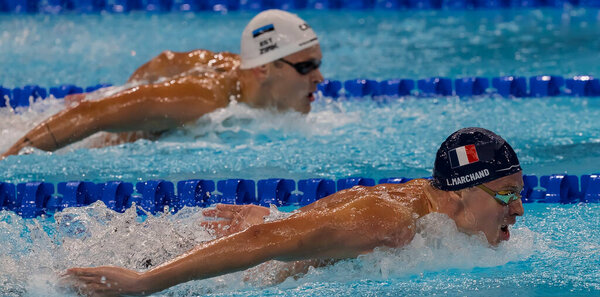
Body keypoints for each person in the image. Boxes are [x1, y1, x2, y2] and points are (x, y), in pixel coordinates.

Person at [62, 127, 525, 296]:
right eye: (507, 195)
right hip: (215, 275)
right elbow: (267, 249)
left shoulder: (432, 210)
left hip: (256, 250)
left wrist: (273, 224)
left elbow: (308, 237)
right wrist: (143, 283)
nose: (519, 210)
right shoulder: (391, 223)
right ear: (460, 192)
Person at [0, 9, 324, 159]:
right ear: (264, 70)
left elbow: (166, 61)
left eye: (318, 65)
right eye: (306, 67)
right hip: (102, 140)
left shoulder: (240, 73)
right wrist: (9, 162)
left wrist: (123, 92)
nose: (319, 78)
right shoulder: (202, 99)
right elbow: (93, 114)